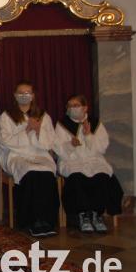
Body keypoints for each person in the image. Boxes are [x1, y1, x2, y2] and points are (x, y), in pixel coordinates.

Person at [0, 80, 59, 237]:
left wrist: (38, 131)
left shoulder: (43, 116)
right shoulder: (7, 116)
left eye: (27, 93)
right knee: (30, 172)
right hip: (16, 155)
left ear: (33, 96)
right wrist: (27, 129)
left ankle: (47, 220)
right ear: (15, 95)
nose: (24, 96)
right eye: (21, 93)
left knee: (46, 172)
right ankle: (32, 221)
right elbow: (6, 140)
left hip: (39, 153)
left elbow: (50, 141)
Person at [54, 95, 123, 233]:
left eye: (76, 105)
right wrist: (70, 144)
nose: (72, 108)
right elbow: (57, 147)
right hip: (72, 159)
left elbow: (103, 146)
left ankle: (97, 214)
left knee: (102, 176)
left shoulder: (96, 123)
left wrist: (89, 135)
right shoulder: (62, 124)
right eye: (69, 105)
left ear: (85, 107)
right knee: (77, 177)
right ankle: (83, 215)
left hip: (94, 159)